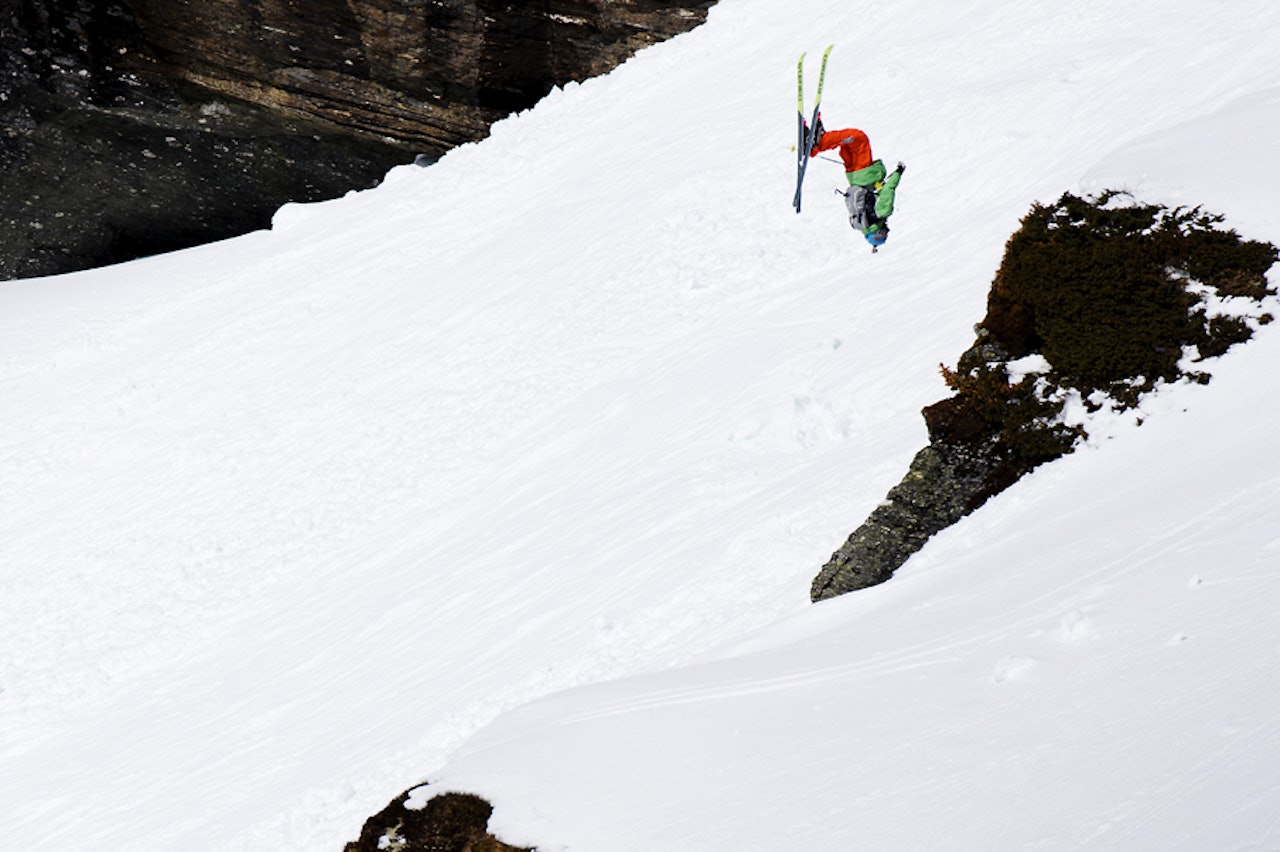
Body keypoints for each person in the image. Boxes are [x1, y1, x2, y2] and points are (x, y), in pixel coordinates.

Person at [807, 120, 905, 249]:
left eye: (885, 233)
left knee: (858, 138)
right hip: (853, 177)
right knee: (847, 145)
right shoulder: (860, 222)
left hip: (865, 175)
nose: (887, 230)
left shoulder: (882, 212)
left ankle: (818, 143)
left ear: (880, 233)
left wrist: (898, 173)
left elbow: (888, 189)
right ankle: (820, 139)